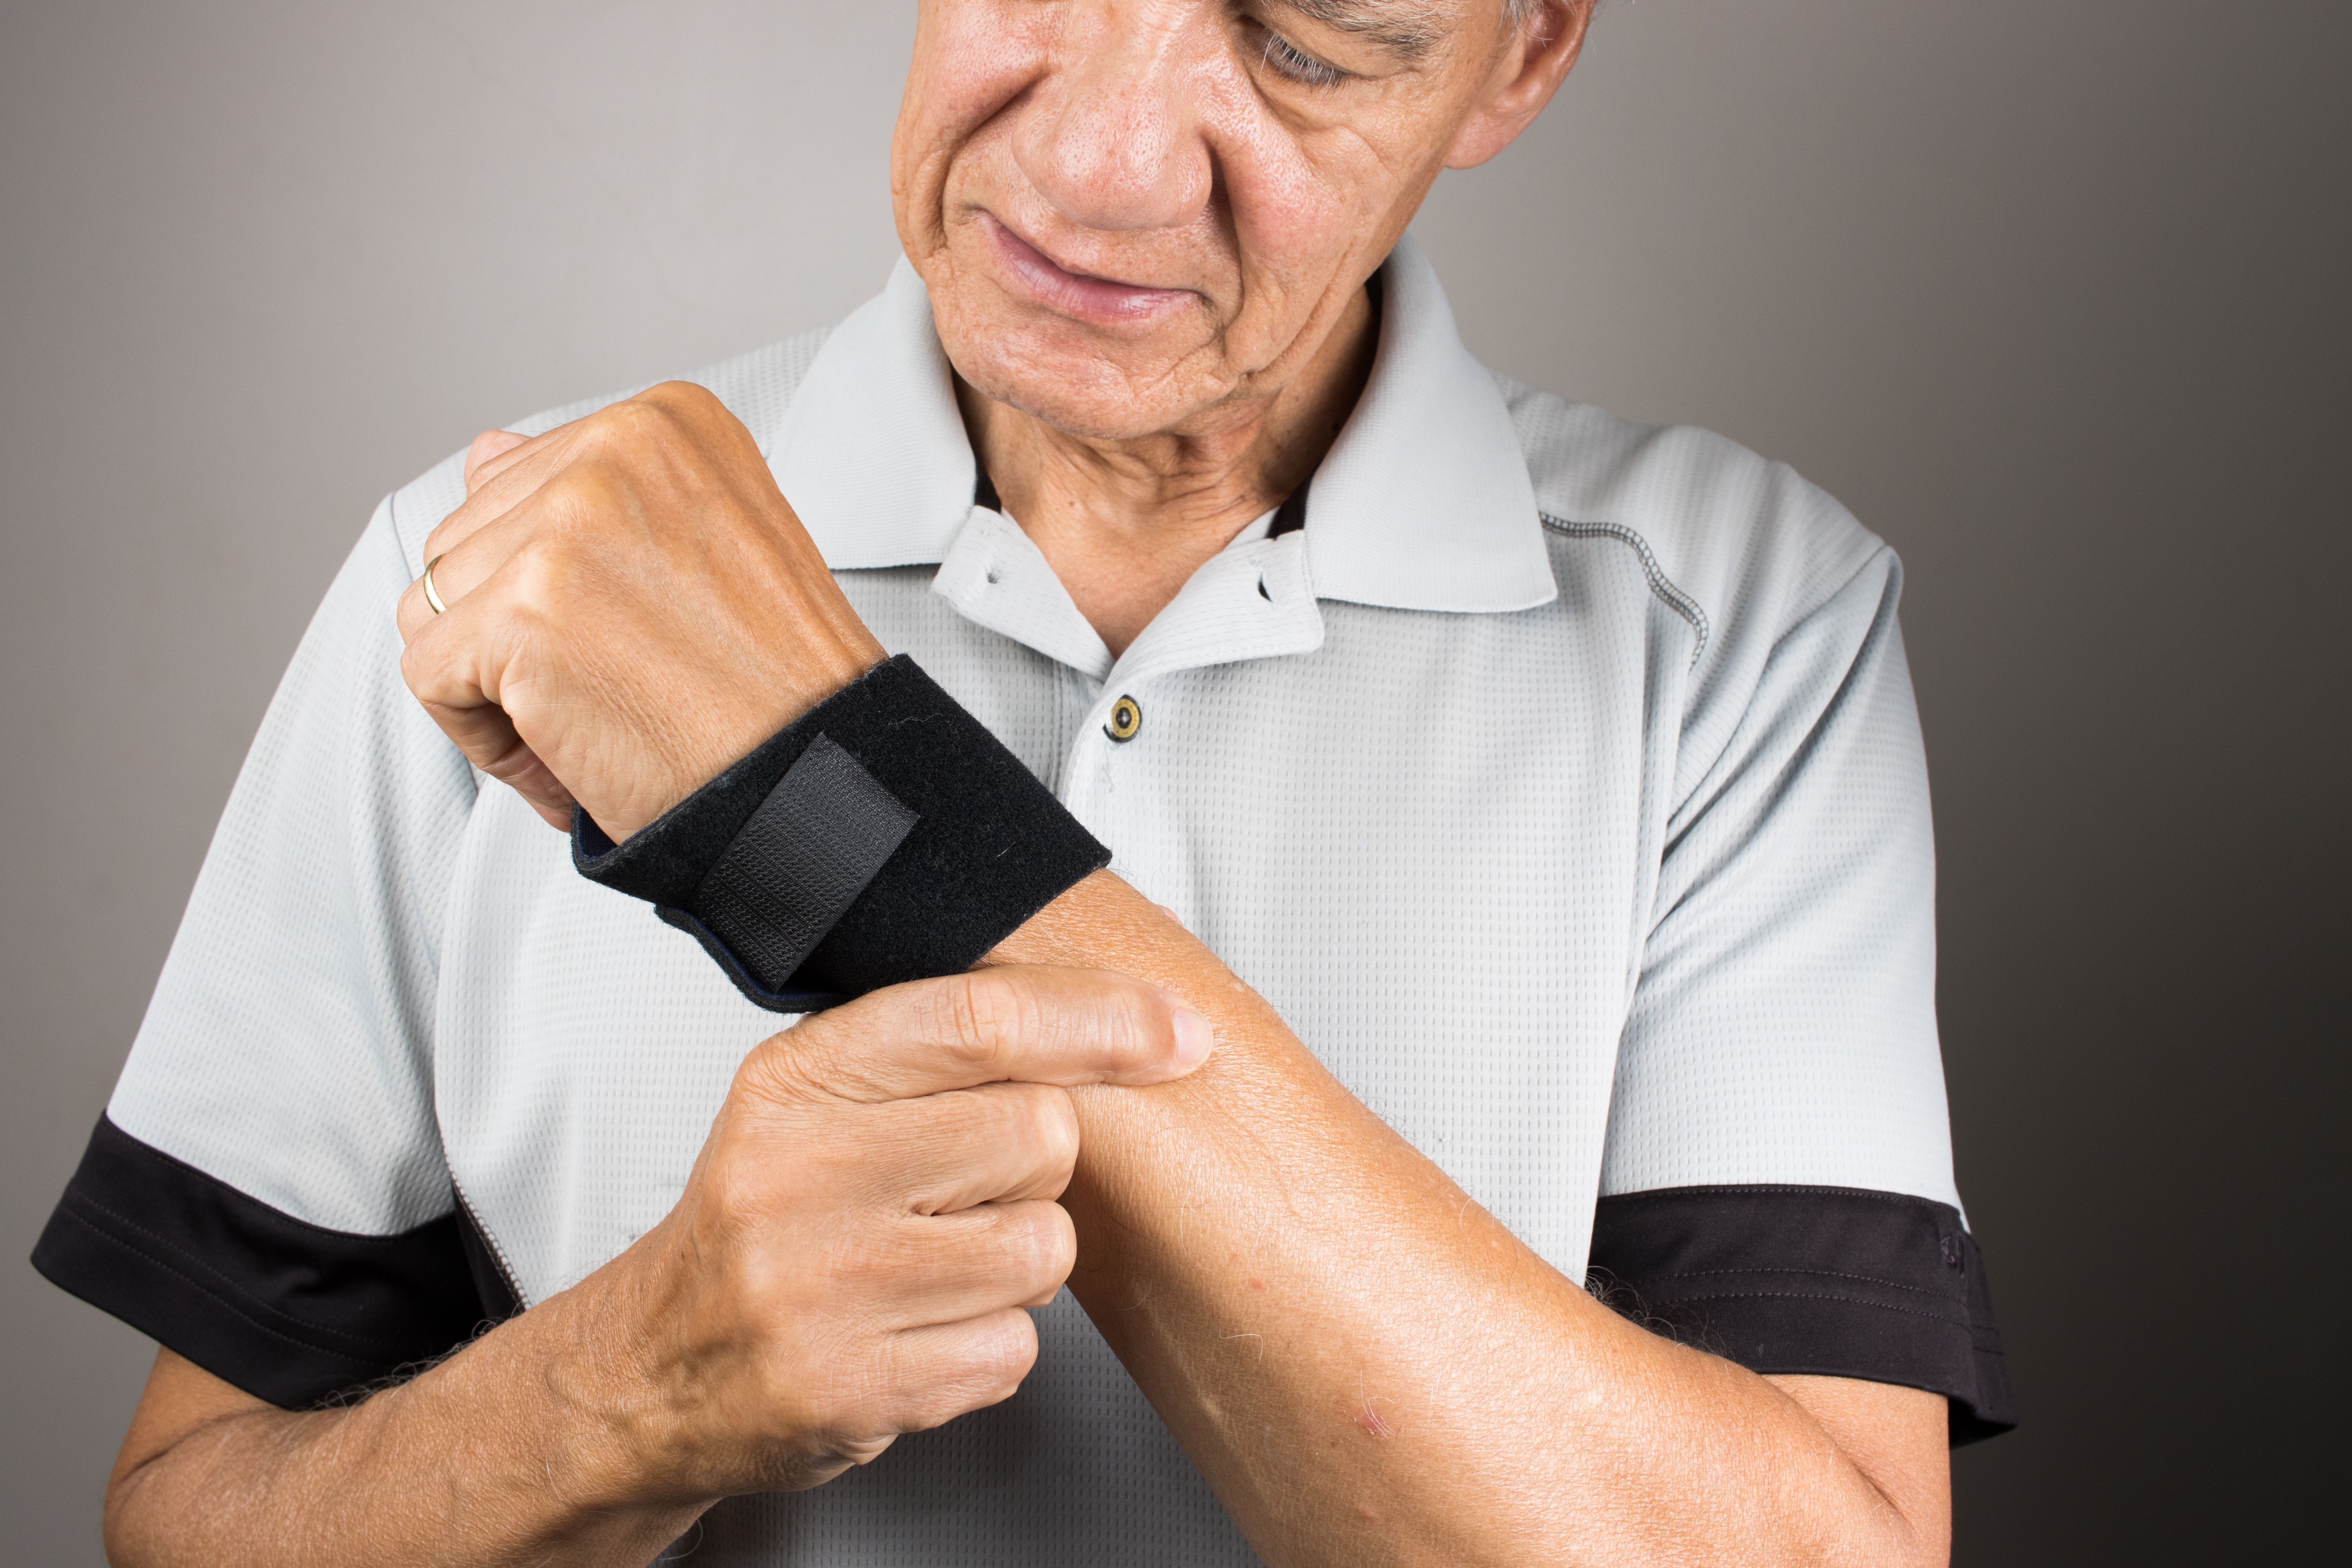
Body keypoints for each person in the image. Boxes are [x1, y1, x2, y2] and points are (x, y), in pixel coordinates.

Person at [34, 2, 2012, 1564]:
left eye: (1308, 38)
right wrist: (632, 1393)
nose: (1100, 164)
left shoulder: (1745, 621)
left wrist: (824, 782)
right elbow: (186, 1523)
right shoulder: (496, 565)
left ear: (1522, 51)